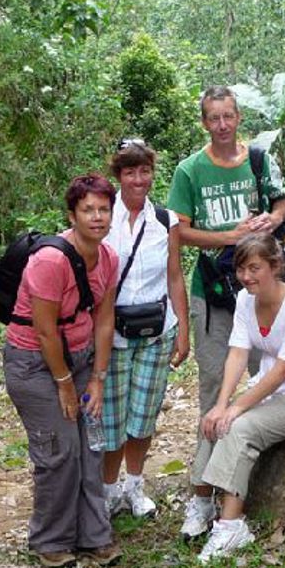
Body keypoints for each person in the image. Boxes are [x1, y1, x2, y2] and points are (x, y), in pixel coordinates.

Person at [166, 86, 285, 540]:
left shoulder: (257, 160)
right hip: (214, 291)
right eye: (213, 118)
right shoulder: (190, 170)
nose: (222, 125)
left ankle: (249, 481)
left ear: (238, 117)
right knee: (214, 388)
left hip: (264, 291)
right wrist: (230, 238)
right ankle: (202, 497)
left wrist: (272, 222)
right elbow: (178, 231)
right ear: (204, 122)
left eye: (228, 116)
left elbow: (284, 199)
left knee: (271, 386)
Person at [1, 173, 120, 568]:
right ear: (72, 215)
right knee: (59, 451)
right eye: (88, 210)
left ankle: (93, 536)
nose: (97, 218)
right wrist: (65, 385)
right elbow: (44, 329)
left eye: (104, 210)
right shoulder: (50, 260)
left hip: (83, 359)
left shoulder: (107, 258)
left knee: (90, 447)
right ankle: (50, 540)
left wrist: (98, 379)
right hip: (35, 364)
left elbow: (105, 319)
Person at [193, 233, 285, 562]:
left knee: (239, 427)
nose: (246, 277)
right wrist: (222, 405)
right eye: (241, 269)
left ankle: (232, 525)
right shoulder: (246, 302)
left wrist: (236, 408)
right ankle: (202, 503)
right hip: (266, 387)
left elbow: (284, 369)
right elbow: (237, 353)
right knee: (214, 418)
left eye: (254, 268)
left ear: (275, 266)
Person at [100, 138, 191, 519]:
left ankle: (135, 487)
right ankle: (106, 493)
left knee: (144, 414)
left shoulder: (166, 221)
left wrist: (183, 329)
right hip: (114, 334)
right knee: (111, 420)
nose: (138, 179)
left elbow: (173, 276)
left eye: (144, 171)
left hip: (156, 331)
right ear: (118, 175)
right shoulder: (103, 218)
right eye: (130, 171)